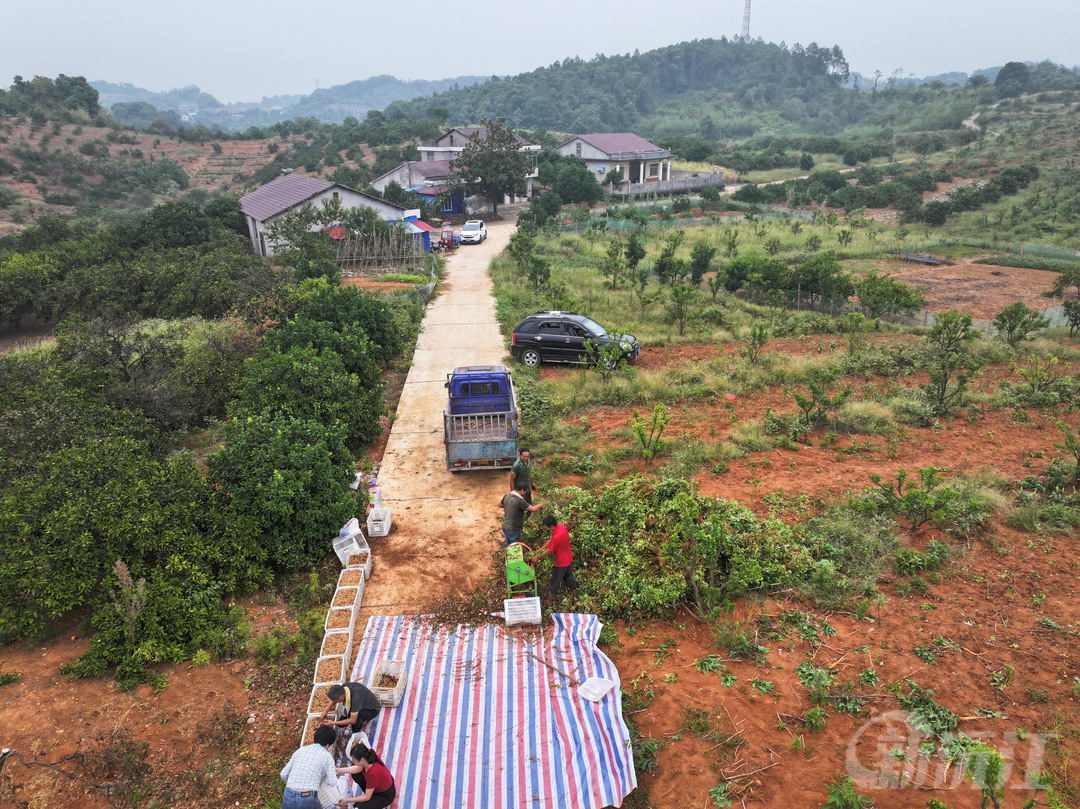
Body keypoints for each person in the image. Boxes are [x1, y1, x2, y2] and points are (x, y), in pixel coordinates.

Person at [281, 724, 338, 809]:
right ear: (328, 745)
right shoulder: (327, 756)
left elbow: (283, 775)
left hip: (288, 794)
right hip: (307, 797)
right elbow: (332, 782)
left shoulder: (300, 750)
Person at [533, 515, 578, 608]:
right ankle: (574, 597)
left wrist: (537, 557)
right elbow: (550, 541)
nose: (545, 527)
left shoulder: (557, 536)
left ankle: (548, 600)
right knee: (569, 577)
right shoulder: (561, 526)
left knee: (556, 580)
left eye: (546, 526)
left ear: (551, 526)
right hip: (568, 558)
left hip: (561, 562)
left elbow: (549, 551)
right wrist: (540, 549)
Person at [335, 742, 396, 808]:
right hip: (380, 785)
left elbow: (367, 797)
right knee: (356, 775)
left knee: (358, 806)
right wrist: (339, 770)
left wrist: (347, 800)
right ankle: (371, 796)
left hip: (385, 796)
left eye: (354, 760)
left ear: (361, 760)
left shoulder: (372, 772)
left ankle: (379, 804)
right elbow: (358, 768)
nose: (352, 761)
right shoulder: (369, 758)